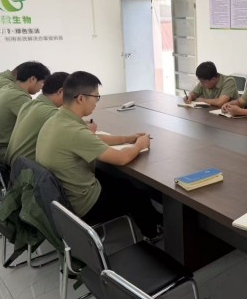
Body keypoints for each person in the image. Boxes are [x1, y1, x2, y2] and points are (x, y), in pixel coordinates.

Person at [35, 71, 161, 239]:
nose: (96, 102)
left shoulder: (57, 119)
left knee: (120, 181)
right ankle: (153, 235)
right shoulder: (74, 131)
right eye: (96, 97)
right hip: (84, 206)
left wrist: (128, 138)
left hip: (63, 197)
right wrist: (140, 145)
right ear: (81, 98)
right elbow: (122, 158)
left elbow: (91, 139)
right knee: (136, 196)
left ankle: (155, 219)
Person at [0, 61, 51, 164]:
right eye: (42, 83)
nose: (42, 88)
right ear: (33, 79)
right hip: (2, 153)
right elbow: (42, 121)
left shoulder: (7, 88)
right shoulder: (18, 97)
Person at [4, 72, 70, 167]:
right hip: (26, 172)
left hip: (13, 167)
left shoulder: (29, 104)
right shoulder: (51, 113)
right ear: (61, 92)